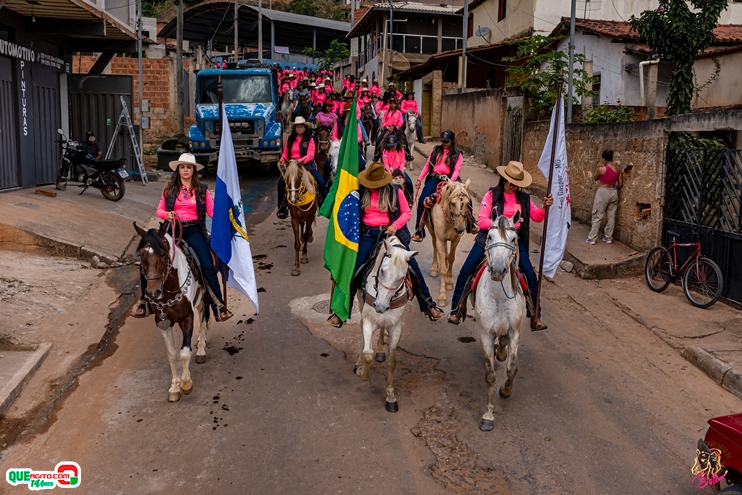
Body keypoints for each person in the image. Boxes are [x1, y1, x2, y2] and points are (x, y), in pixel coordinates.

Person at [326, 162, 445, 327]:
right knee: (352, 270)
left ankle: (428, 304)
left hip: (390, 236)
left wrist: (394, 226)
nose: (372, 187)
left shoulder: (395, 191)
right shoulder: (361, 191)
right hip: (367, 235)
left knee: (413, 268)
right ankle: (340, 313)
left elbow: (406, 212)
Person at [447, 161, 553, 331]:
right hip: (489, 240)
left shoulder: (524, 199)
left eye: (517, 184)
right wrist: (507, 225)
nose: (514, 187)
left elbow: (537, 217)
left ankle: (535, 315)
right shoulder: (491, 196)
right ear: (504, 180)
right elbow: (482, 221)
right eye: (512, 183)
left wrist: (545, 208)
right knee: (466, 271)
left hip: (513, 244)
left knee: (531, 277)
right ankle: (457, 308)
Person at [131, 153, 233, 322]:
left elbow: (212, 211)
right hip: (171, 230)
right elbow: (159, 210)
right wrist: (167, 214)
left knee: (207, 264)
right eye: (182, 167)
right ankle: (144, 302)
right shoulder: (169, 190)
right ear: (178, 170)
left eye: (189, 167)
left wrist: (225, 215)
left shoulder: (202, 190)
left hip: (193, 231)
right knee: (148, 258)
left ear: (194, 170)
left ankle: (219, 306)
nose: (185, 170)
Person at [412, 130, 463, 241]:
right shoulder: (436, 150)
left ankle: (471, 223)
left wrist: (451, 182)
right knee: (422, 201)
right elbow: (427, 165)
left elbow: (457, 169)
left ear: (452, 141)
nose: (444, 143)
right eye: (443, 141)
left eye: (447, 141)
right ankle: (419, 230)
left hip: (450, 179)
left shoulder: (457, 154)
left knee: (464, 195)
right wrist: (419, 179)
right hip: (435, 178)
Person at [276, 117, 327, 219]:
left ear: (305, 128)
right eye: (297, 127)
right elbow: (286, 152)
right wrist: (282, 159)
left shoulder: (310, 139)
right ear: (295, 128)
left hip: (307, 166)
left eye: (301, 127)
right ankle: (282, 207)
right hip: (291, 166)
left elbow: (310, 155)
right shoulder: (290, 139)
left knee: (321, 182)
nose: (299, 129)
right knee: (281, 184)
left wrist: (299, 161)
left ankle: (324, 205)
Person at [587, 150, 622, 245]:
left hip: (603, 191)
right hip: (614, 192)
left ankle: (592, 238)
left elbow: (595, 178)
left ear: (604, 159)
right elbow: (620, 184)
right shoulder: (618, 169)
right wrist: (614, 188)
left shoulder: (601, 169)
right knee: (611, 216)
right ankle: (608, 238)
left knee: (598, 214)